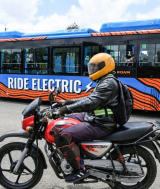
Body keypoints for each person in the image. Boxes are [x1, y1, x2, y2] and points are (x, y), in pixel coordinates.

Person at [52, 53, 119, 183]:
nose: (92, 70)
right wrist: (66, 102)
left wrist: (64, 109)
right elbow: (89, 98)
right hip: (97, 117)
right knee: (67, 120)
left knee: (64, 135)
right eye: (92, 67)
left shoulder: (108, 83)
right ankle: (78, 153)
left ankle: (80, 170)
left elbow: (90, 103)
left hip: (102, 123)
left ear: (104, 66)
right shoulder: (106, 80)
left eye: (95, 67)